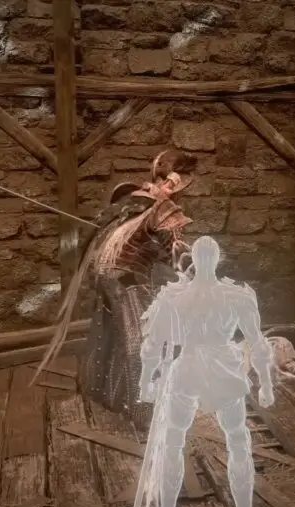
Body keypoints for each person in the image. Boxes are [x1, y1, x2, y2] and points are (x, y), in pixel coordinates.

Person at [30, 150, 195, 431]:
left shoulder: (133, 199)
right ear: (175, 185)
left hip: (103, 274)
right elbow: (178, 253)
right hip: (126, 278)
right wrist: (196, 275)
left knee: (109, 332)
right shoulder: (164, 209)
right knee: (143, 339)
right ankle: (145, 413)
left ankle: (102, 394)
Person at [137, 235, 275, 507]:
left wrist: (146, 382)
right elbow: (257, 344)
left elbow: (152, 347)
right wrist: (265, 384)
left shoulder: (174, 297)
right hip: (224, 371)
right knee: (238, 441)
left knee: (173, 440)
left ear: (194, 261)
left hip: (186, 371)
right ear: (217, 259)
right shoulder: (236, 296)